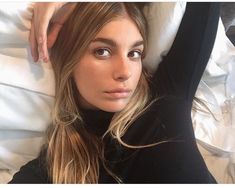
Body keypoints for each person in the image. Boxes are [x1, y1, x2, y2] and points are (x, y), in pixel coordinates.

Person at [9, 2, 219, 183]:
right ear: (69, 58)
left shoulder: (166, 96)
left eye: (134, 53)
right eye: (102, 51)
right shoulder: (56, 167)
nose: (125, 72)